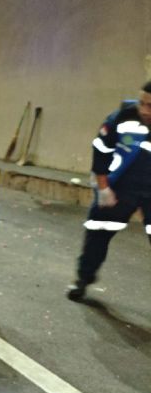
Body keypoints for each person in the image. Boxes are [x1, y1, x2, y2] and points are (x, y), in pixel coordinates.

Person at [67, 82, 151, 301]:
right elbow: (102, 149)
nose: (144, 110)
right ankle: (83, 279)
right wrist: (103, 187)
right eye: (142, 103)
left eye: (150, 106)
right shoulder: (123, 117)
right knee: (99, 231)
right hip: (121, 187)